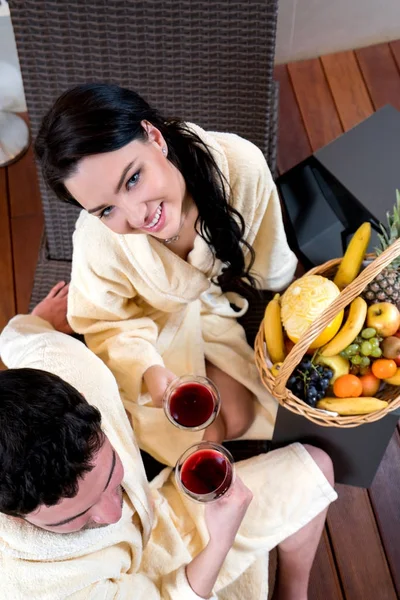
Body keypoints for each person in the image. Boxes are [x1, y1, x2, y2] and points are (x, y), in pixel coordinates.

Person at [0, 283, 336, 600]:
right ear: (14, 517)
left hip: (162, 515)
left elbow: (18, 338)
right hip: (139, 584)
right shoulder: (33, 586)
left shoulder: (64, 362)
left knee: (317, 468)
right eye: (80, 516)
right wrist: (219, 543)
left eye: (111, 477)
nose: (114, 513)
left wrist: (36, 319)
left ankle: (293, 592)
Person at [35, 83, 299, 465]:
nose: (138, 215)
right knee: (196, 432)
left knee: (239, 416)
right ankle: (206, 492)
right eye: (106, 210)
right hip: (148, 329)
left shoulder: (239, 166)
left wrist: (289, 307)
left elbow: (269, 251)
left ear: (155, 137)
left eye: (132, 179)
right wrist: (149, 371)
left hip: (206, 306)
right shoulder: (97, 241)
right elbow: (103, 321)